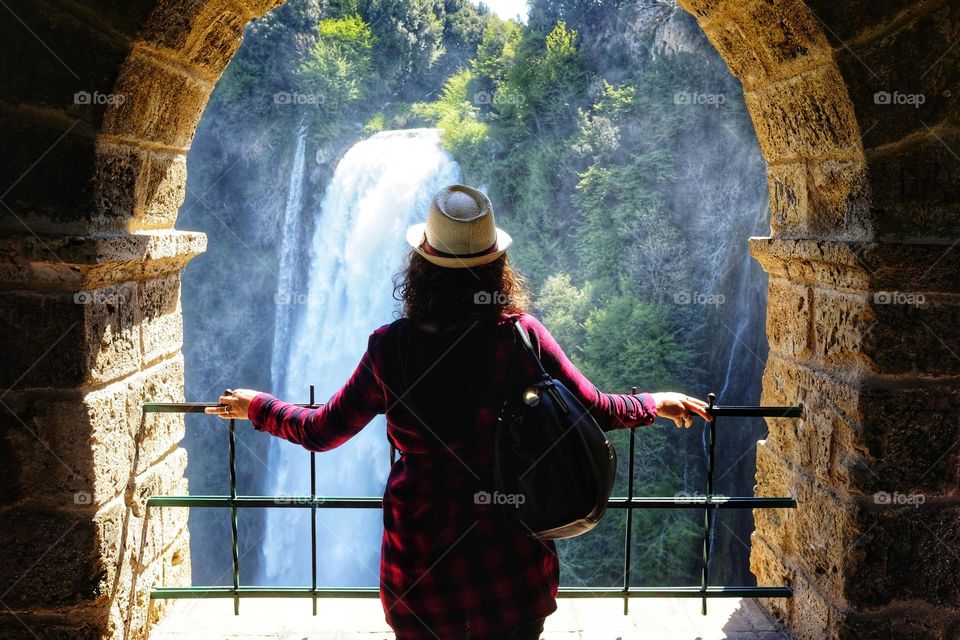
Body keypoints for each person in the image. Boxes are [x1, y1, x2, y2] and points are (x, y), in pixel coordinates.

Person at [208, 184, 711, 640]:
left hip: (421, 572)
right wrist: (652, 403)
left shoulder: (390, 349)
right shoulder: (519, 338)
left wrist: (259, 407)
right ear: (496, 265)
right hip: (509, 567)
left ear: (422, 265)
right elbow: (595, 409)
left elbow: (321, 431)